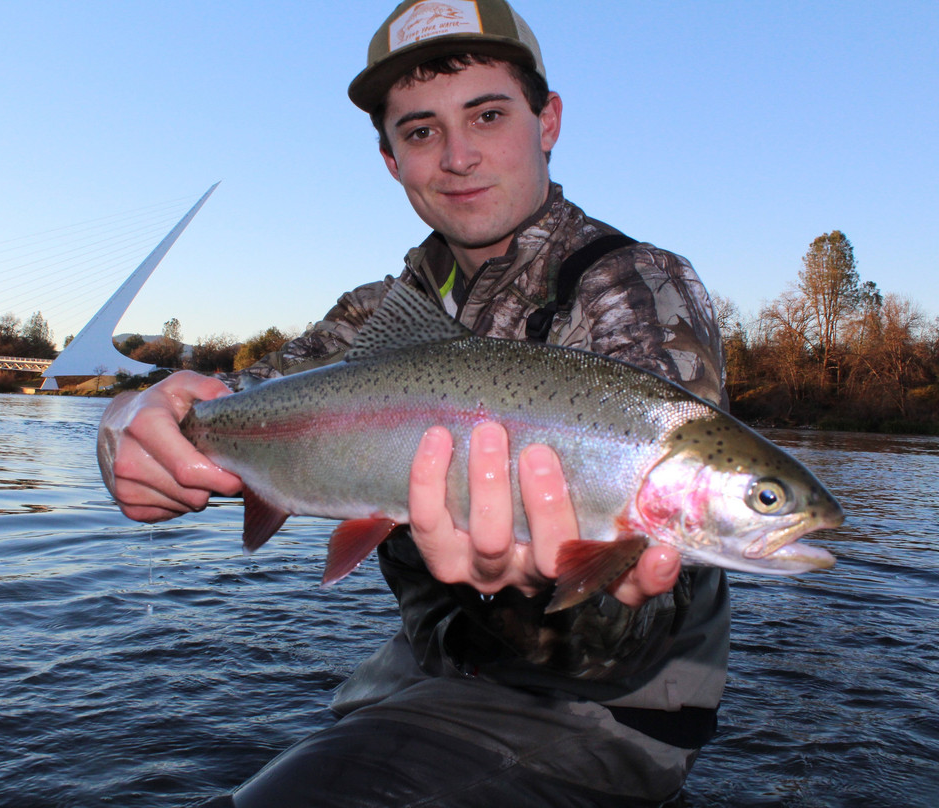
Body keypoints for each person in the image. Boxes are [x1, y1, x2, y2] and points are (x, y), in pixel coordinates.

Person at [97, 1, 729, 805]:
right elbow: (231, 406)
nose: (458, 156)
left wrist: (548, 582)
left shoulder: (636, 289)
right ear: (392, 161)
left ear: (548, 121)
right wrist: (129, 430)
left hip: (605, 709)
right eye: (421, 131)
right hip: (418, 674)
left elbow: (633, 628)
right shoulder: (375, 313)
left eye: (488, 115)